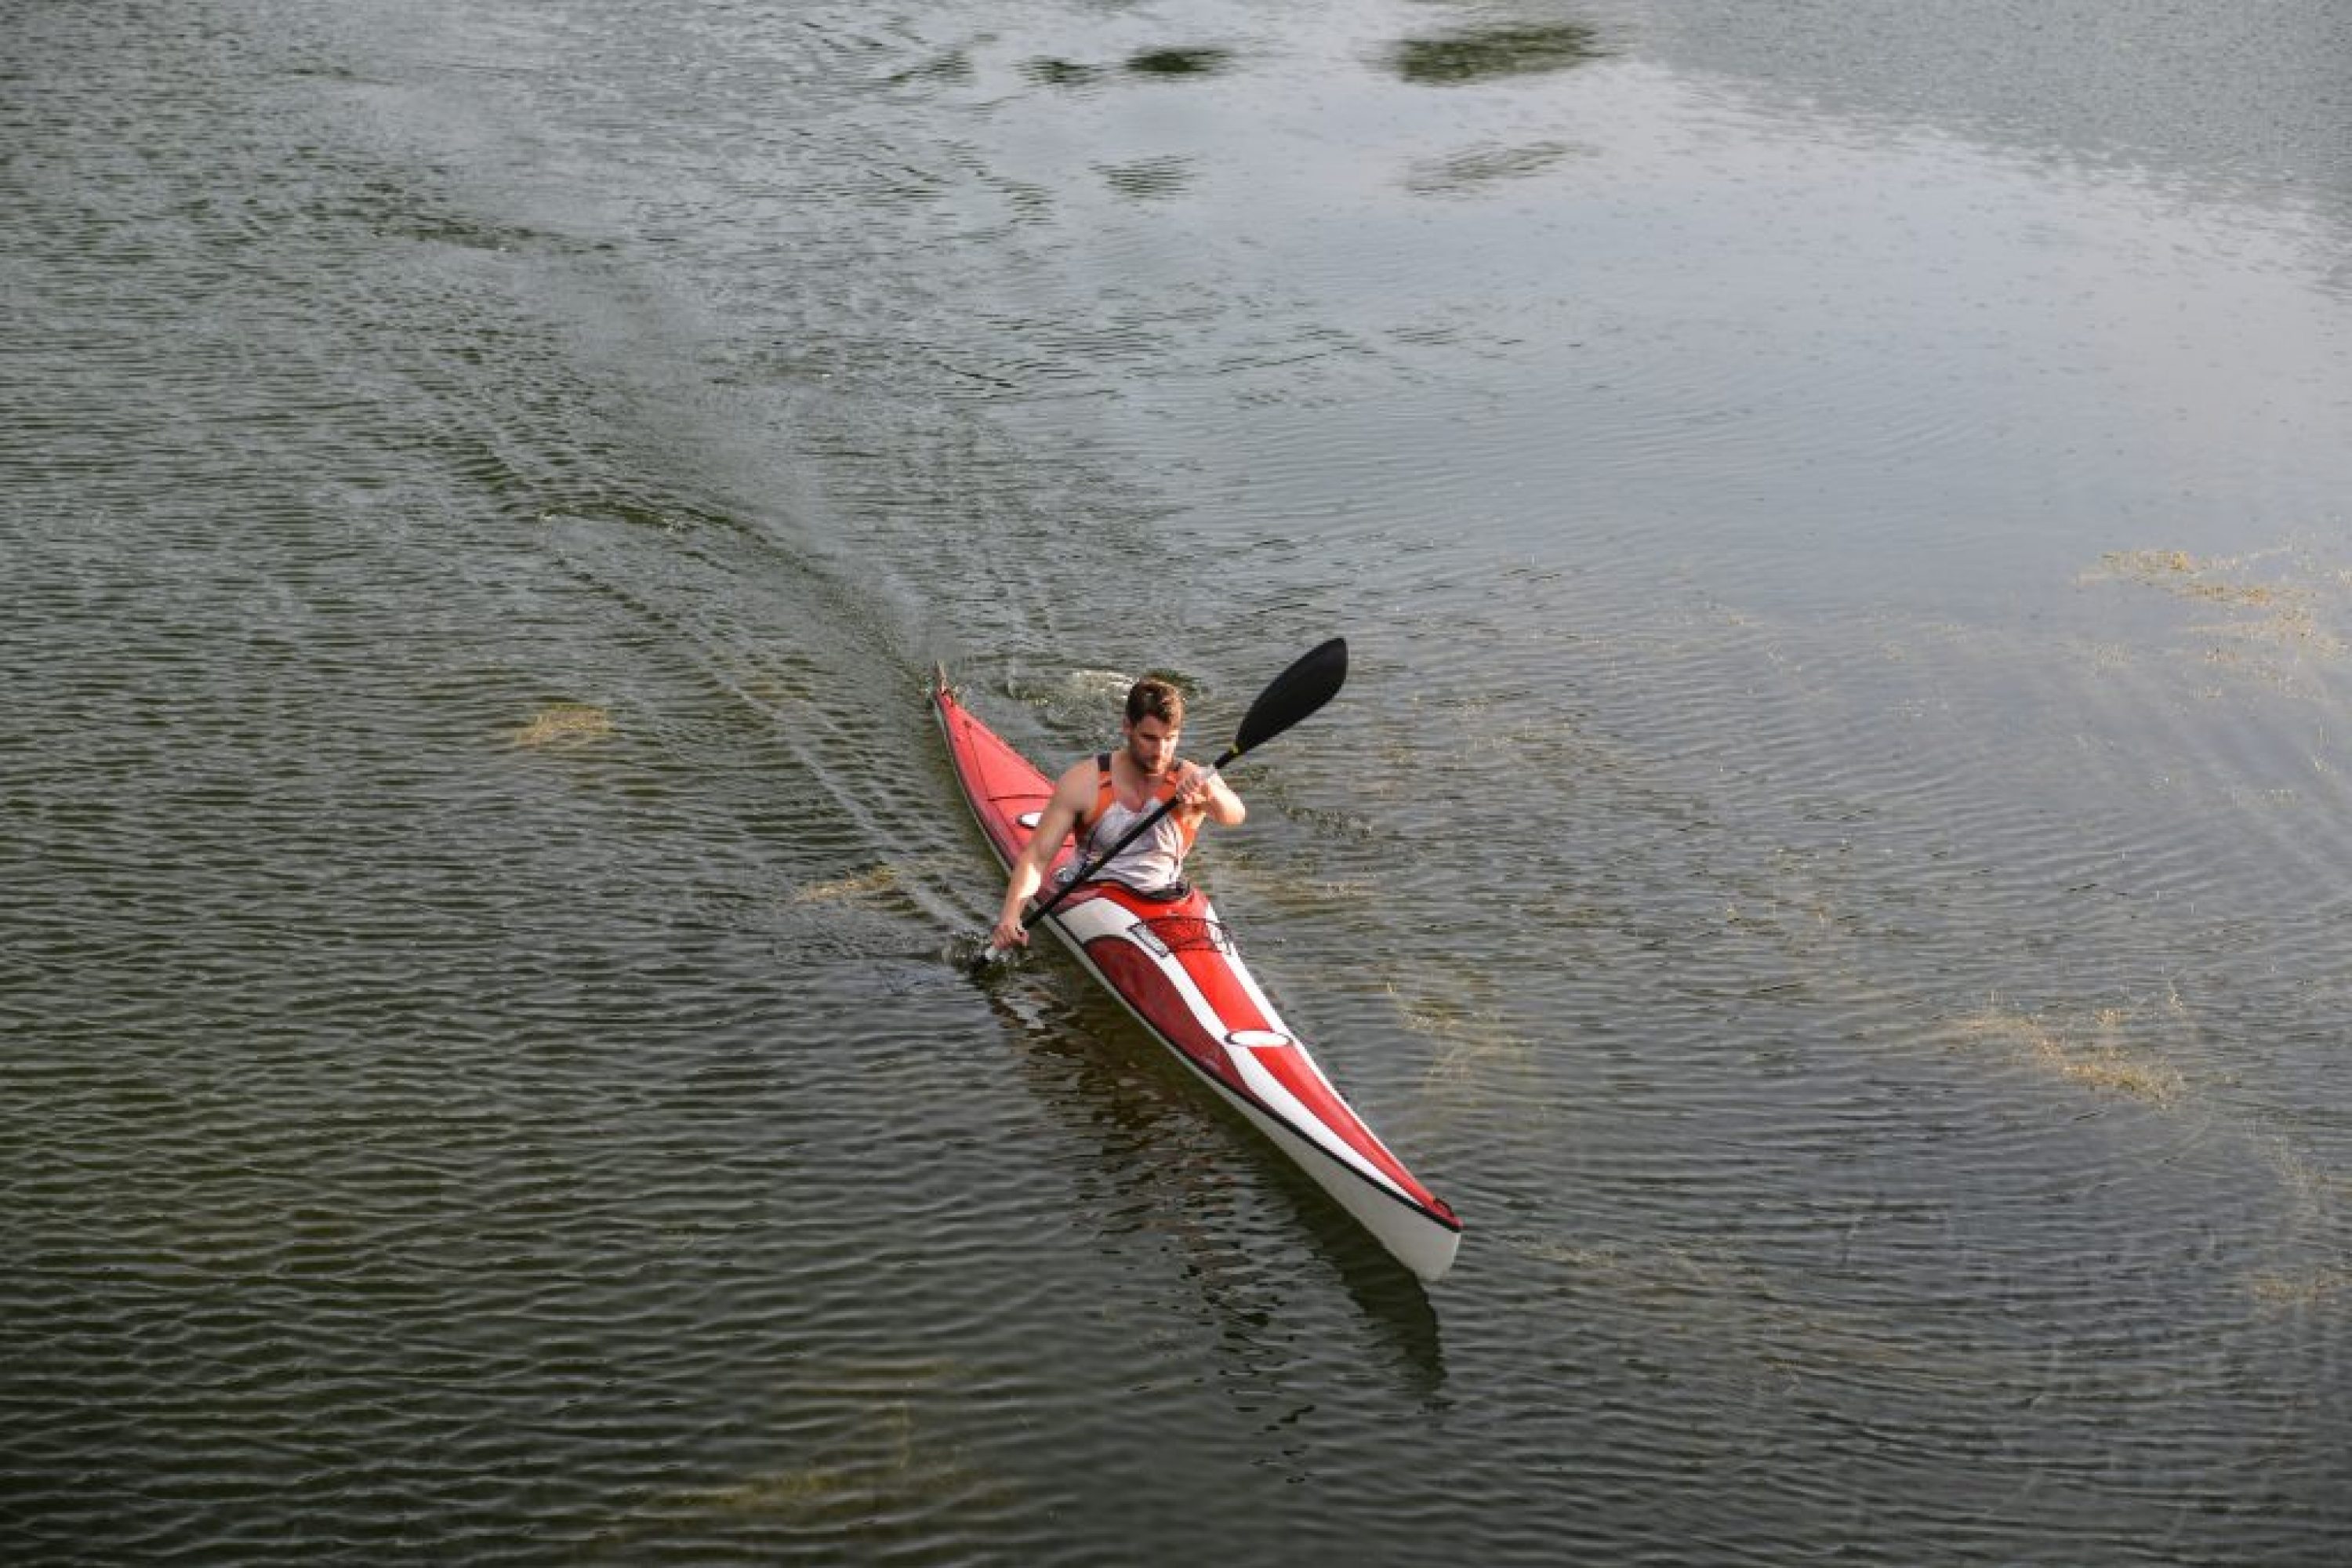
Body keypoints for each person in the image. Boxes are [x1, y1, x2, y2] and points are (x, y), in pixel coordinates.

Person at [990, 675, 1244, 950]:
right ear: (1127, 727)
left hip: (1165, 899)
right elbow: (1037, 858)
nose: (1160, 752)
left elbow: (1235, 815)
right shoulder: (1084, 782)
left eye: (1170, 739)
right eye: (1149, 738)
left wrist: (1210, 794)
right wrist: (1011, 915)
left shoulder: (1191, 778)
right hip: (1090, 893)